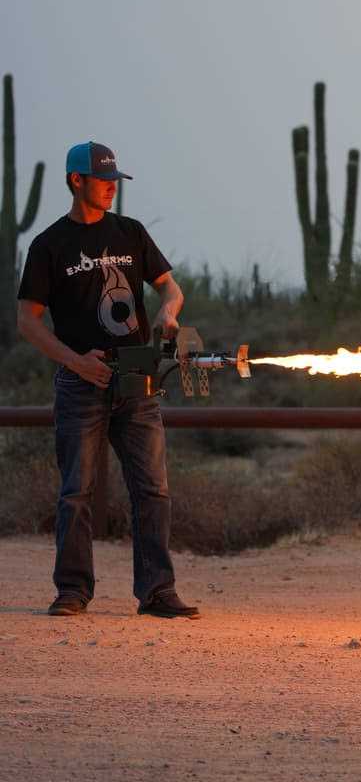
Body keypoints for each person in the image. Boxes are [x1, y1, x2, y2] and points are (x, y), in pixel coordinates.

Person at [16, 141, 200, 619]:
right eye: (103, 180)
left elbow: (171, 288)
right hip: (81, 386)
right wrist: (76, 362)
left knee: (153, 489)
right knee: (76, 491)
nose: (111, 188)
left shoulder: (131, 233)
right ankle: (73, 591)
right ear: (77, 181)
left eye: (115, 180)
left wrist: (169, 310)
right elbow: (28, 321)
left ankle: (157, 592)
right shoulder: (49, 245)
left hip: (137, 384)